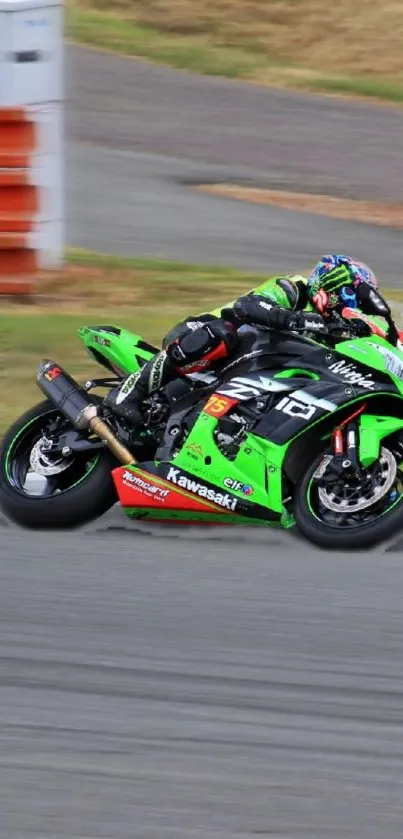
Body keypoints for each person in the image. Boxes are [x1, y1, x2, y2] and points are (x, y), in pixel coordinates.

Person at [105, 254, 384, 426]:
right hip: (203, 336)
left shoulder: (331, 328)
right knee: (222, 334)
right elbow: (248, 307)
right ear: (331, 285)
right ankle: (130, 391)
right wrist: (299, 320)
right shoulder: (292, 288)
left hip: (240, 373)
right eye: (349, 294)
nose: (351, 305)